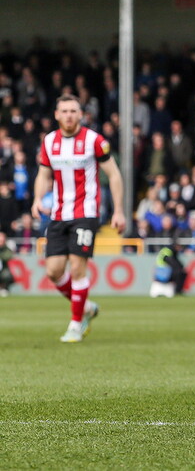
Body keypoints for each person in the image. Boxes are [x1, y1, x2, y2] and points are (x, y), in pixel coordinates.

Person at [32, 94, 126, 343]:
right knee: (53, 272)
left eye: (73, 111)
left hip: (86, 213)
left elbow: (114, 175)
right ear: (56, 114)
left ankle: (76, 324)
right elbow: (43, 175)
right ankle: (84, 307)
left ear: (80, 114)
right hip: (58, 214)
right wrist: (37, 199)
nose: (69, 115)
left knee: (77, 267)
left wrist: (118, 210)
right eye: (64, 111)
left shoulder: (94, 141)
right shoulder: (49, 141)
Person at [0, 231, 15, 297]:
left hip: (3, 269)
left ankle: (4, 288)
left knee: (6, 275)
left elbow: (9, 256)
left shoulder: (6, 249)